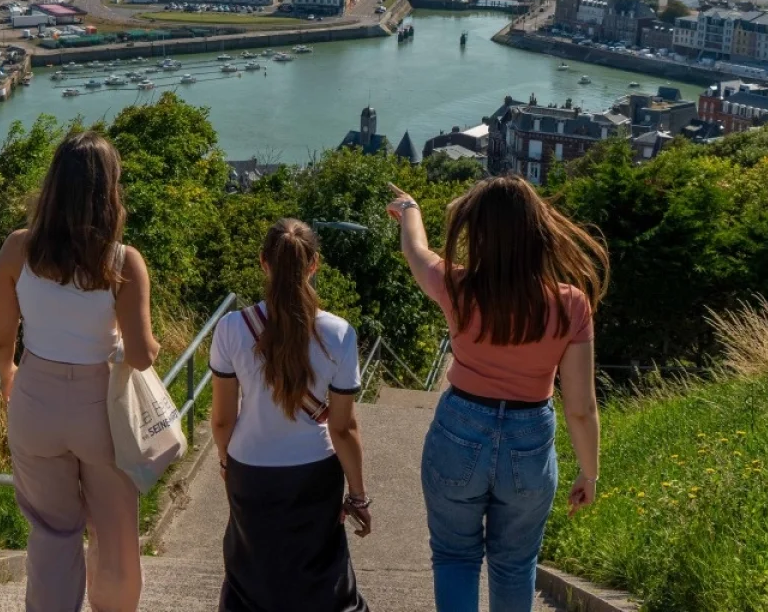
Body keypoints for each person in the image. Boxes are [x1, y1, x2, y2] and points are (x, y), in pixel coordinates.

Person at [387, 177, 605, 612]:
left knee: (455, 558)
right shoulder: (570, 304)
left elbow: (417, 252)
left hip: (459, 428)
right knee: (514, 565)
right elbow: (581, 408)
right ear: (538, 231)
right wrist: (589, 472)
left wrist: (410, 210)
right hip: (529, 441)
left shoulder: (458, 288)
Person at [0, 131, 159, 612]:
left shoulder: (17, 250)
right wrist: (144, 343)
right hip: (100, 408)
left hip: (35, 399)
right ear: (109, 192)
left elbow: (2, 338)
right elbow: (142, 355)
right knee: (115, 530)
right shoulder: (123, 261)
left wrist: (8, 375)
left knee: (51, 530)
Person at [209, 218, 372, 612]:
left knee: (253, 572)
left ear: (263, 262)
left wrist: (225, 461)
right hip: (314, 471)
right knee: (321, 578)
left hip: (250, 465)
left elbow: (221, 419)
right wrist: (358, 495)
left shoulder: (231, 328)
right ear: (314, 264)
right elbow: (343, 427)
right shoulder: (339, 333)